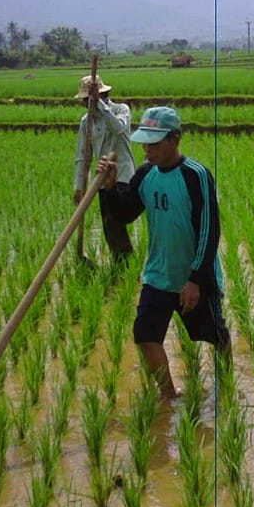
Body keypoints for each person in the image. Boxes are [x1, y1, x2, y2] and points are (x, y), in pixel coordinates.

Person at [97, 106, 232, 400]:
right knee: (145, 334)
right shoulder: (146, 174)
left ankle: (226, 387)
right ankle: (170, 396)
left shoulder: (196, 176)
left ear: (175, 139)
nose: (147, 149)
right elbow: (124, 213)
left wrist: (195, 279)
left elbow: (210, 231)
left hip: (195, 275)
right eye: (145, 142)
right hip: (158, 274)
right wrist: (109, 189)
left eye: (154, 143)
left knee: (214, 335)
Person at [73, 73, 137, 263]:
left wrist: (99, 104)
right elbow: (82, 156)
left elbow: (118, 128)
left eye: (88, 99)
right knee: (109, 226)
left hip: (123, 177)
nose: (86, 103)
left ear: (101, 94)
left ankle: (126, 263)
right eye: (85, 100)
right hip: (101, 181)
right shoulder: (87, 121)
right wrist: (78, 186)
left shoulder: (120, 110)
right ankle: (122, 263)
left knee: (115, 222)